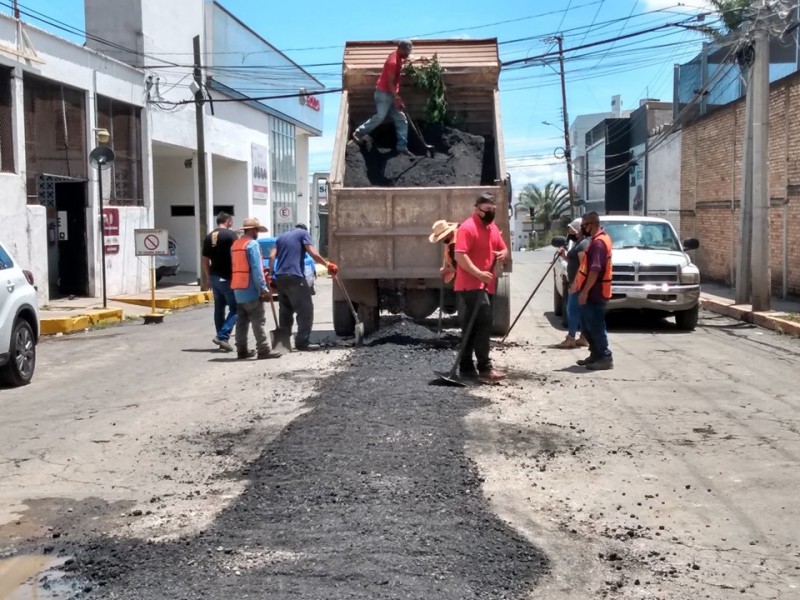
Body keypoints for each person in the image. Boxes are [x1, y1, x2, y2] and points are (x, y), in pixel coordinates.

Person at [453, 192, 509, 382]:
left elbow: (503, 247)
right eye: (487, 210)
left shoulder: (492, 227)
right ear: (477, 209)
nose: (491, 213)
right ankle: (485, 368)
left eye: (493, 209)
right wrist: (478, 273)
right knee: (484, 325)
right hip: (470, 285)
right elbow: (460, 255)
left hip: (487, 285)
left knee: (472, 327)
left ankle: (466, 368)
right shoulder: (467, 228)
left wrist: (503, 253)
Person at [268, 224, 338, 351]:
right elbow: (313, 253)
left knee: (285, 310)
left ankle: (283, 343)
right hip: (295, 277)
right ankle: (302, 342)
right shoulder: (303, 234)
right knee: (305, 310)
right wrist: (327, 264)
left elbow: (272, 256)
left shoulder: (281, 237)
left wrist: (271, 274)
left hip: (280, 278)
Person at [351, 40, 416, 157]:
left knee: (401, 118)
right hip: (384, 94)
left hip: (391, 94)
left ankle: (402, 147)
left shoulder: (397, 56)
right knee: (380, 116)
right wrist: (396, 98)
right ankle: (358, 133)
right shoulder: (393, 62)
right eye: (406, 51)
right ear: (400, 48)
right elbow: (390, 83)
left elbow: (404, 60)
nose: (408, 54)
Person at [230, 217, 281, 360]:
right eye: (257, 230)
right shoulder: (252, 245)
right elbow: (256, 270)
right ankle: (263, 349)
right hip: (251, 289)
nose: (257, 233)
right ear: (252, 230)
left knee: (241, 322)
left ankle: (242, 350)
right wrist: (263, 288)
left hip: (238, 289)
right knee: (258, 321)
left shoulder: (235, 245)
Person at [572, 212, 614, 370]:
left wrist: (584, 292)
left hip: (594, 293)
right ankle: (595, 354)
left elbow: (595, 270)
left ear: (592, 224)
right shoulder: (598, 240)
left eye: (584, 225)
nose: (582, 228)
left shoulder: (598, 243)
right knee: (586, 325)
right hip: (592, 291)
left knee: (595, 325)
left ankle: (605, 356)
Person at [201, 212, 238, 352]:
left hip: (214, 277)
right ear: (228, 221)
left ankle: (223, 339)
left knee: (219, 308)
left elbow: (204, 259)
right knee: (236, 307)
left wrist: (208, 277)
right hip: (227, 277)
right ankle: (222, 336)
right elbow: (238, 254)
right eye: (231, 221)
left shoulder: (209, 236)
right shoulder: (230, 235)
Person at [555, 218, 590, 349]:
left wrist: (575, 283)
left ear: (578, 230)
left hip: (578, 284)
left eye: (572, 228)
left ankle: (571, 338)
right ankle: (583, 337)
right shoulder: (578, 243)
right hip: (576, 283)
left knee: (572, 310)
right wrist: (564, 255)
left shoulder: (583, 245)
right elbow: (572, 261)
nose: (569, 230)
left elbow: (583, 266)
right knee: (578, 311)